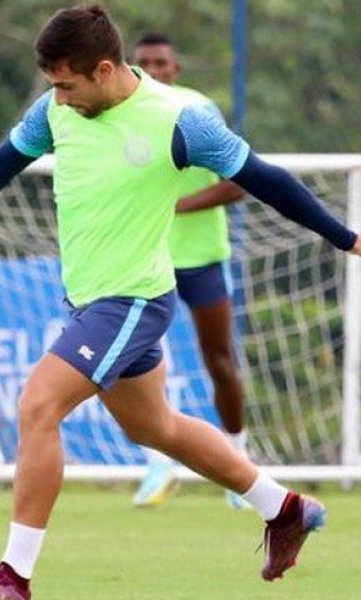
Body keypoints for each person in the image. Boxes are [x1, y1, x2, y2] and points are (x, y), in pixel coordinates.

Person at [0, 6, 361, 598]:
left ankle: (13, 576)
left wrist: (349, 239)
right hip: (87, 303)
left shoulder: (180, 120)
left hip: (132, 299)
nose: (57, 97)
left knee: (38, 406)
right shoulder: (54, 111)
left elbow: (265, 178)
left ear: (105, 69)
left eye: (66, 84)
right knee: (155, 427)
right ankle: (282, 507)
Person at [130, 31, 252, 511]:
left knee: (218, 359)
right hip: (143, 259)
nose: (154, 71)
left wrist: (175, 206)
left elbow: (236, 185)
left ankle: (238, 464)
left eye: (161, 62)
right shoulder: (121, 117)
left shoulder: (196, 111)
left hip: (201, 258)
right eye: (143, 63)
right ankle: (158, 465)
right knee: (135, 366)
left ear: (175, 69)